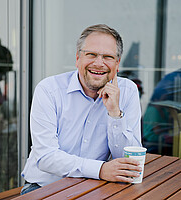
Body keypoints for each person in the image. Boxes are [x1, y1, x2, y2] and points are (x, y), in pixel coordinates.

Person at [21, 24, 142, 195]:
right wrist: (100, 170)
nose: (99, 63)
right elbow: (46, 158)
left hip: (97, 188)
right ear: (77, 58)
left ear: (117, 63)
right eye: (91, 54)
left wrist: (115, 114)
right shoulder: (49, 90)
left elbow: (130, 161)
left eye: (107, 57)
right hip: (44, 188)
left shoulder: (128, 91)